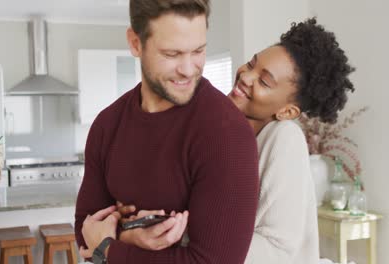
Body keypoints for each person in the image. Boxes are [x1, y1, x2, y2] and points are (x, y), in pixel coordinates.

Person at [116, 18, 355, 264]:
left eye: (264, 81)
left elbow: (278, 250)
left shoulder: (284, 139)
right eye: (252, 64)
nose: (246, 77)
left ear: (287, 112)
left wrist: (189, 236)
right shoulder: (217, 132)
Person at [74, 0, 259, 263]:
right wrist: (130, 237)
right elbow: (85, 229)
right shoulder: (107, 125)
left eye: (198, 51)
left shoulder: (226, 133)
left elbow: (214, 261)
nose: (187, 69)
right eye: (172, 54)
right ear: (136, 43)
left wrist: (109, 248)